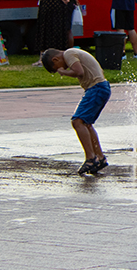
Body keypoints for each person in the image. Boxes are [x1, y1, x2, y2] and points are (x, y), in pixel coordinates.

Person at [41, 47, 111, 175]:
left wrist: (63, 72)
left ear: (55, 59)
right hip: (100, 87)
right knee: (86, 124)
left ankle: (91, 158)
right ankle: (100, 158)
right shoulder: (73, 52)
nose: (60, 69)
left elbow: (79, 71)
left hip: (96, 88)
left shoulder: (69, 53)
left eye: (56, 68)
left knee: (77, 121)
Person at [34, 0, 70, 65]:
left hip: (48, 6)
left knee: (45, 30)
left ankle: (42, 59)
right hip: (59, 7)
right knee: (57, 30)